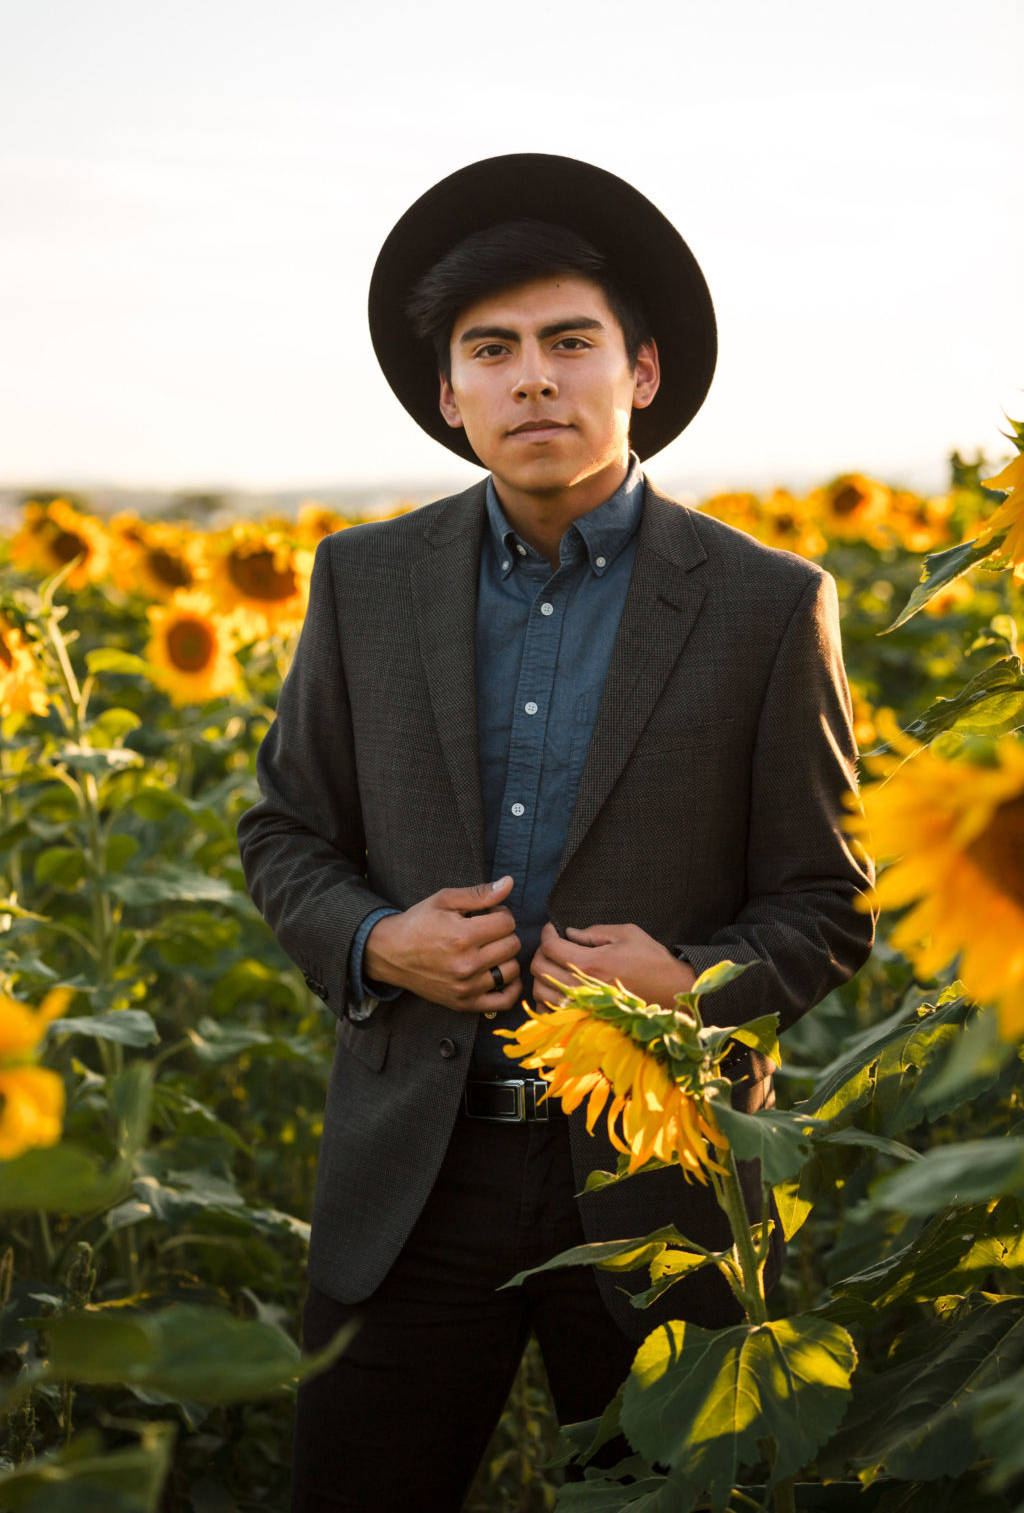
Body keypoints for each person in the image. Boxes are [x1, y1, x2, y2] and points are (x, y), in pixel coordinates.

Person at [236, 153, 874, 1513]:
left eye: (569, 342)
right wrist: (375, 940)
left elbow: (827, 907)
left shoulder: (766, 605)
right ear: (449, 393)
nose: (535, 379)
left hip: (662, 1187)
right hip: (417, 1172)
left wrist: (694, 988)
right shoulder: (362, 583)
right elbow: (285, 832)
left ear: (640, 372)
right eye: (494, 349)